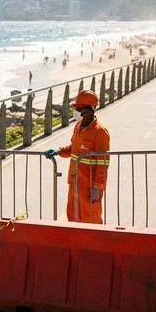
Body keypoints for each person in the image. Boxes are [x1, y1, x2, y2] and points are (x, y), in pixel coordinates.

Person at [44, 90, 110, 223]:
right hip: (74, 182)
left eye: (78, 109)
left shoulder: (100, 132)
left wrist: (97, 187)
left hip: (89, 186)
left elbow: (103, 164)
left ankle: (93, 238)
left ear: (89, 110)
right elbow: (73, 148)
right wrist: (59, 151)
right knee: (73, 217)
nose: (75, 112)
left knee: (91, 219)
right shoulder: (78, 126)